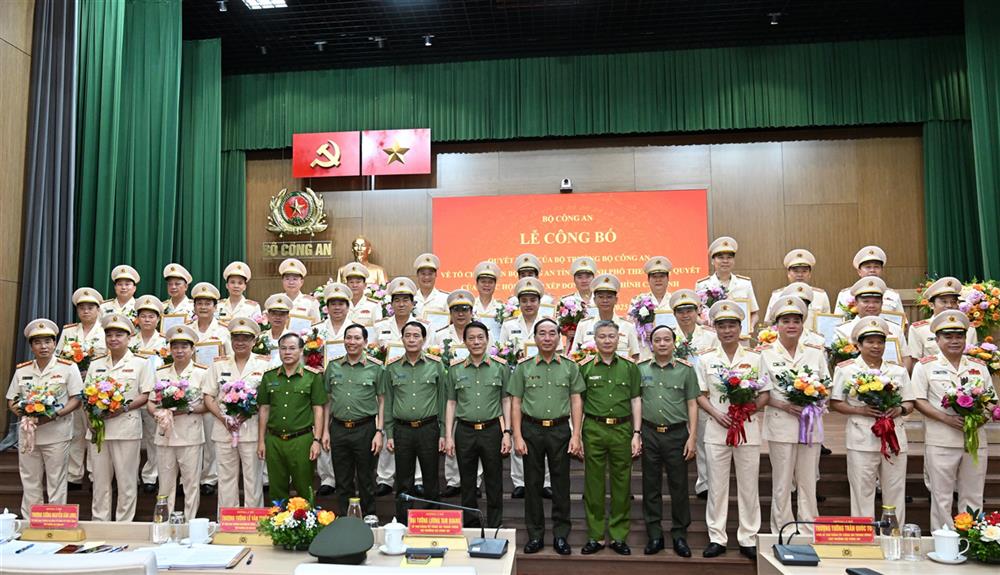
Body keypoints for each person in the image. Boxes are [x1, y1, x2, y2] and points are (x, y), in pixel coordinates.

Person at [696, 301, 769, 559]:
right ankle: (717, 537)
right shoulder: (705, 358)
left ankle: (748, 538)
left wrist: (747, 411)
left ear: (741, 328)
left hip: (747, 429)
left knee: (749, 486)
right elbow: (701, 394)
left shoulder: (756, 358)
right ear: (714, 328)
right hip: (717, 429)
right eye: (722, 325)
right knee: (716, 486)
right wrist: (716, 413)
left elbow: (765, 394)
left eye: (732, 325)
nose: (727, 330)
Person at [509, 318, 585, 555]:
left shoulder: (570, 367)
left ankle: (561, 536)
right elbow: (516, 402)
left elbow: (576, 399)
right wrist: (517, 436)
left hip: (561, 430)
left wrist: (576, 434)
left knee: (561, 485)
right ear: (535, 338)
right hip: (531, 430)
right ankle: (535, 536)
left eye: (552, 333)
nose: (547, 338)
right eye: (542, 334)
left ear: (559, 337)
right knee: (532, 485)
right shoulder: (524, 367)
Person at [911, 310, 993, 530]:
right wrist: (945, 419)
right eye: (948, 336)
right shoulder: (924, 366)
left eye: (959, 336)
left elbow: (991, 401)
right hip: (941, 439)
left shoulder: (979, 366)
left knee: (973, 494)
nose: (954, 341)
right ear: (937, 340)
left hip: (974, 440)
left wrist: (980, 419)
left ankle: (973, 539)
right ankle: (944, 542)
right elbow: (918, 400)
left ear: (965, 339)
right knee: (942, 497)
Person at [831, 317, 914, 524]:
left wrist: (899, 409)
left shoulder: (898, 370)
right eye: (870, 342)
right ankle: (864, 537)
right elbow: (835, 402)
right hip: (862, 437)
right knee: (862, 491)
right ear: (858, 344)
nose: (876, 346)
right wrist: (860, 410)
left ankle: (894, 535)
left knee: (895, 490)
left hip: (894, 437)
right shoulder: (846, 369)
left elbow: (910, 402)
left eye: (880, 341)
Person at [760, 296, 830, 541]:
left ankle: (809, 527)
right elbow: (762, 393)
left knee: (808, 481)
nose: (791, 325)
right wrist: (785, 405)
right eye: (785, 321)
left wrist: (815, 401)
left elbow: (826, 387)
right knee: (782, 482)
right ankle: (783, 528)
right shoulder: (765, 354)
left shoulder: (815, 354)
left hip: (809, 425)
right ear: (776, 325)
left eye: (796, 321)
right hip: (780, 423)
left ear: (803, 325)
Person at [6, 319, 83, 518]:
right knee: (30, 479)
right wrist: (27, 415)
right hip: (29, 434)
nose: (43, 346)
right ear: (31, 346)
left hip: (57, 433)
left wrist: (56, 413)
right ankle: (31, 521)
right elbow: (12, 401)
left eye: (48, 342)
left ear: (54, 343)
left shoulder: (68, 367)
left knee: (56, 480)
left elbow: (76, 398)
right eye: (38, 342)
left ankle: (55, 521)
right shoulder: (23, 369)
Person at [578, 320, 642, 556]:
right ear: (595, 340)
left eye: (611, 336)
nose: (607, 340)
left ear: (619, 339)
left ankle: (618, 536)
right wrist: (578, 433)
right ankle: (595, 536)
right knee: (593, 484)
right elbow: (579, 403)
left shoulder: (630, 367)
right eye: (602, 336)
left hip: (622, 430)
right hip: (593, 429)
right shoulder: (584, 367)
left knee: (621, 484)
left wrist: (637, 433)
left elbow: (636, 400)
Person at [84, 313, 152, 521]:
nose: (113, 339)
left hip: (126, 429)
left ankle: (124, 524)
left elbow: (146, 394)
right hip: (98, 430)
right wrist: (91, 420)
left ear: (129, 337)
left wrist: (121, 408)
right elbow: (86, 395)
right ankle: (100, 522)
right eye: (109, 335)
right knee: (100, 482)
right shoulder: (96, 364)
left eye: (119, 335)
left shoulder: (141, 363)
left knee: (126, 481)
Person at [639, 325, 699, 557]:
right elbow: (636, 401)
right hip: (649, 433)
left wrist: (692, 437)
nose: (662, 343)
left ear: (674, 343)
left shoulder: (685, 370)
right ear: (651, 344)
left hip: (676, 435)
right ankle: (654, 535)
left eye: (667, 340)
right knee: (650, 486)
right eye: (657, 340)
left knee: (679, 486)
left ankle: (679, 536)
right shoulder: (641, 369)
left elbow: (692, 404)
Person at [444, 321, 511, 528]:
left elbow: (506, 400)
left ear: (487, 340)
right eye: (471, 338)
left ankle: (495, 525)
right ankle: (471, 526)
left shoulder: (500, 367)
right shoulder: (455, 370)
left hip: (492, 430)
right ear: (464, 342)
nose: (476, 342)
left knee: (494, 481)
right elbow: (451, 403)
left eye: (480, 337)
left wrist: (507, 432)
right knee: (467, 482)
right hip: (465, 431)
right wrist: (448, 436)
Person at [203, 317, 271, 511]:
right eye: (236, 338)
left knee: (252, 478)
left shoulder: (264, 364)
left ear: (254, 341)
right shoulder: (218, 364)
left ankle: (254, 521)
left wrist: (247, 412)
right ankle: (226, 521)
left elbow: (267, 399)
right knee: (225, 478)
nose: (240, 342)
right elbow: (208, 396)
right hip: (224, 429)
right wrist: (223, 417)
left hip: (251, 430)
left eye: (245, 338)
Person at [384, 321, 447, 522]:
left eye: (416, 336)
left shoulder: (435, 365)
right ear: (401, 339)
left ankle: (433, 522)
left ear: (424, 339)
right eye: (408, 336)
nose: (411, 339)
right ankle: (403, 523)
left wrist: (444, 433)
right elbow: (388, 402)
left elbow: (443, 401)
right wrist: (390, 433)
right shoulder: (392, 367)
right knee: (403, 480)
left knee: (431, 479)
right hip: (402, 430)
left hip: (428, 429)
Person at [321, 324, 386, 517]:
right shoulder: (333, 366)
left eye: (357, 338)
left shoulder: (376, 368)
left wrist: (379, 431)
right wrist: (325, 430)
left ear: (365, 342)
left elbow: (382, 401)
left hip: (365, 428)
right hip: (339, 428)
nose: (352, 342)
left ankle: (369, 517)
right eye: (348, 338)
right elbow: (327, 402)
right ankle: (345, 518)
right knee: (342, 479)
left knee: (366, 478)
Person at [146, 325, 208, 520]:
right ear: (170, 349)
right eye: (175, 347)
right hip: (165, 436)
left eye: (184, 347)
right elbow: (150, 401)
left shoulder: (202, 373)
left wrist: (186, 409)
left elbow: (207, 404)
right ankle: (164, 522)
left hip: (190, 435)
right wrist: (158, 413)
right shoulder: (161, 372)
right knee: (165, 484)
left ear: (192, 349)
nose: (179, 351)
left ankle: (190, 523)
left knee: (191, 483)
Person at [499, 277, 554, 498]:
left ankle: (546, 482)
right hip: (518, 382)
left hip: (545, 382)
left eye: (533, 300)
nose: (529, 304)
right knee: (516, 430)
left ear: (539, 302)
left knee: (547, 433)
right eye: (524, 300)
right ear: (519, 303)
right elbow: (502, 353)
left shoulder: (548, 324)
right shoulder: (509, 325)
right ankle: (519, 481)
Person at [257, 333, 327, 504]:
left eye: (292, 348)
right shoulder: (269, 377)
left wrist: (316, 440)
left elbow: (318, 409)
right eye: (283, 348)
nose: (287, 352)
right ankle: (279, 526)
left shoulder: (312, 376)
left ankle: (306, 526)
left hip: (301, 440)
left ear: (301, 350)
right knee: (277, 489)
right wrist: (261, 441)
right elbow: (264, 409)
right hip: (274, 440)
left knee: (304, 488)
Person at [669, 289, 719, 499]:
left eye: (689, 309)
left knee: (703, 439)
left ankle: (706, 484)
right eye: (680, 310)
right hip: (674, 396)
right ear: (674, 313)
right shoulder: (666, 335)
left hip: (702, 396)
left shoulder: (709, 337)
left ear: (697, 311)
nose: (685, 314)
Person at [433, 289, 480, 498]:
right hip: (449, 389)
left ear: (471, 311)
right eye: (455, 310)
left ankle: (475, 482)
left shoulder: (478, 333)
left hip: (475, 388)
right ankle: (453, 480)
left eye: (464, 309)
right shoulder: (441, 335)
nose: (460, 314)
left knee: (474, 433)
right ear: (449, 313)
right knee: (451, 428)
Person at [58, 287, 106, 489]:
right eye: (82, 308)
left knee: (94, 430)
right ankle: (73, 475)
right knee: (75, 431)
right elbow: (60, 357)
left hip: (97, 388)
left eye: (90, 308)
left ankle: (96, 474)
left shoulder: (106, 331)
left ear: (98, 309)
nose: (86, 311)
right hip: (73, 388)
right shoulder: (69, 331)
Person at [189, 282, 231, 497]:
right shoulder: (187, 330)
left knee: (210, 433)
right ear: (194, 306)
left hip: (214, 391)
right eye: (199, 303)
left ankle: (210, 477)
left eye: (208, 303)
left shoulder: (223, 331)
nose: (203, 307)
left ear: (216, 306)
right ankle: (191, 477)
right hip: (190, 389)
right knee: (190, 436)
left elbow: (230, 360)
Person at [313, 282, 354, 496]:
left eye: (341, 304)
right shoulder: (316, 331)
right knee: (322, 429)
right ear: (326, 307)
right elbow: (307, 360)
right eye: (333, 304)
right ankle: (328, 477)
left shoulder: (355, 329)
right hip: (323, 386)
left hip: (351, 386)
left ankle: (349, 476)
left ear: (348, 306)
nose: (337, 308)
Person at [130, 294, 168, 493]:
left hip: (155, 396)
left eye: (151, 316)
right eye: (143, 316)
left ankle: (151, 476)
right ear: (137, 319)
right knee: (132, 440)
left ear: (158, 319)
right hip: (133, 396)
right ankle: (131, 475)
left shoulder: (164, 343)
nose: (147, 320)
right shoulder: (129, 341)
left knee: (154, 437)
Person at [834, 278, 909, 367]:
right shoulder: (842, 330)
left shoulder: (895, 329)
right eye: (866, 301)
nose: (871, 306)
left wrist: (900, 377)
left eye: (876, 302)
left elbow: (906, 358)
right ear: (856, 304)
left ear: (882, 304)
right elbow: (837, 363)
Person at [907, 277, 977, 364]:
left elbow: (973, 359)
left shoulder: (969, 328)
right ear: (931, 305)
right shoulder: (918, 329)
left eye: (953, 302)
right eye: (944, 302)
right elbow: (915, 361)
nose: (949, 305)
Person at [571, 274, 640, 361]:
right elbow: (575, 356)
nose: (605, 300)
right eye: (601, 297)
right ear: (595, 300)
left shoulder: (628, 326)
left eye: (609, 297)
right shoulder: (584, 325)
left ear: (616, 300)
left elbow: (635, 357)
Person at [695, 237, 759, 328]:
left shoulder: (745, 284)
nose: (725, 261)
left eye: (729, 258)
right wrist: (702, 322)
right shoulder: (702, 285)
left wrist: (750, 326)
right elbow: (695, 314)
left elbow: (754, 313)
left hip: (740, 336)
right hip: (712, 336)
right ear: (713, 261)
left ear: (733, 261)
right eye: (721, 258)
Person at [835, 246, 904, 315]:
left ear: (882, 270)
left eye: (876, 267)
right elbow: (838, 323)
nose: (872, 270)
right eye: (868, 267)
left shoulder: (893, 295)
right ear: (859, 271)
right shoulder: (845, 295)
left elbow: (902, 323)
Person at [765, 249, 831, 322]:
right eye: (795, 271)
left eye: (804, 271)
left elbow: (827, 323)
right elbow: (769, 323)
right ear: (788, 273)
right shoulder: (777, 295)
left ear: (810, 274)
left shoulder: (821, 295)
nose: (800, 275)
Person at [341, 262, 383, 331]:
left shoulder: (373, 305)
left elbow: (379, 329)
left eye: (358, 282)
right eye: (351, 282)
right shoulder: (341, 305)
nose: (354, 285)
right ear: (346, 285)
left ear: (365, 285)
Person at [279, 257, 322, 324]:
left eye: (295, 279)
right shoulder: (277, 300)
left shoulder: (311, 302)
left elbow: (317, 325)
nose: (291, 282)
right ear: (282, 281)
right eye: (287, 279)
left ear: (301, 282)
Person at [413, 253, 450, 320]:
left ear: (436, 275)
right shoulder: (411, 298)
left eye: (430, 274)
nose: (426, 277)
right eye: (423, 274)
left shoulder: (445, 298)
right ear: (417, 275)